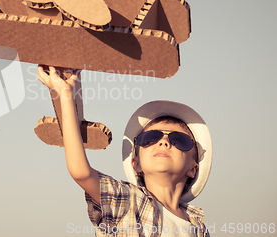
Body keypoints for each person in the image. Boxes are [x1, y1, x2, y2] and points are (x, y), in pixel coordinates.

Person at [37, 66, 212, 237]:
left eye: (178, 140)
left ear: (193, 168)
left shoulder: (197, 226)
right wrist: (66, 95)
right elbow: (81, 173)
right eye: (150, 138)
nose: (164, 142)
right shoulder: (128, 200)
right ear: (136, 164)